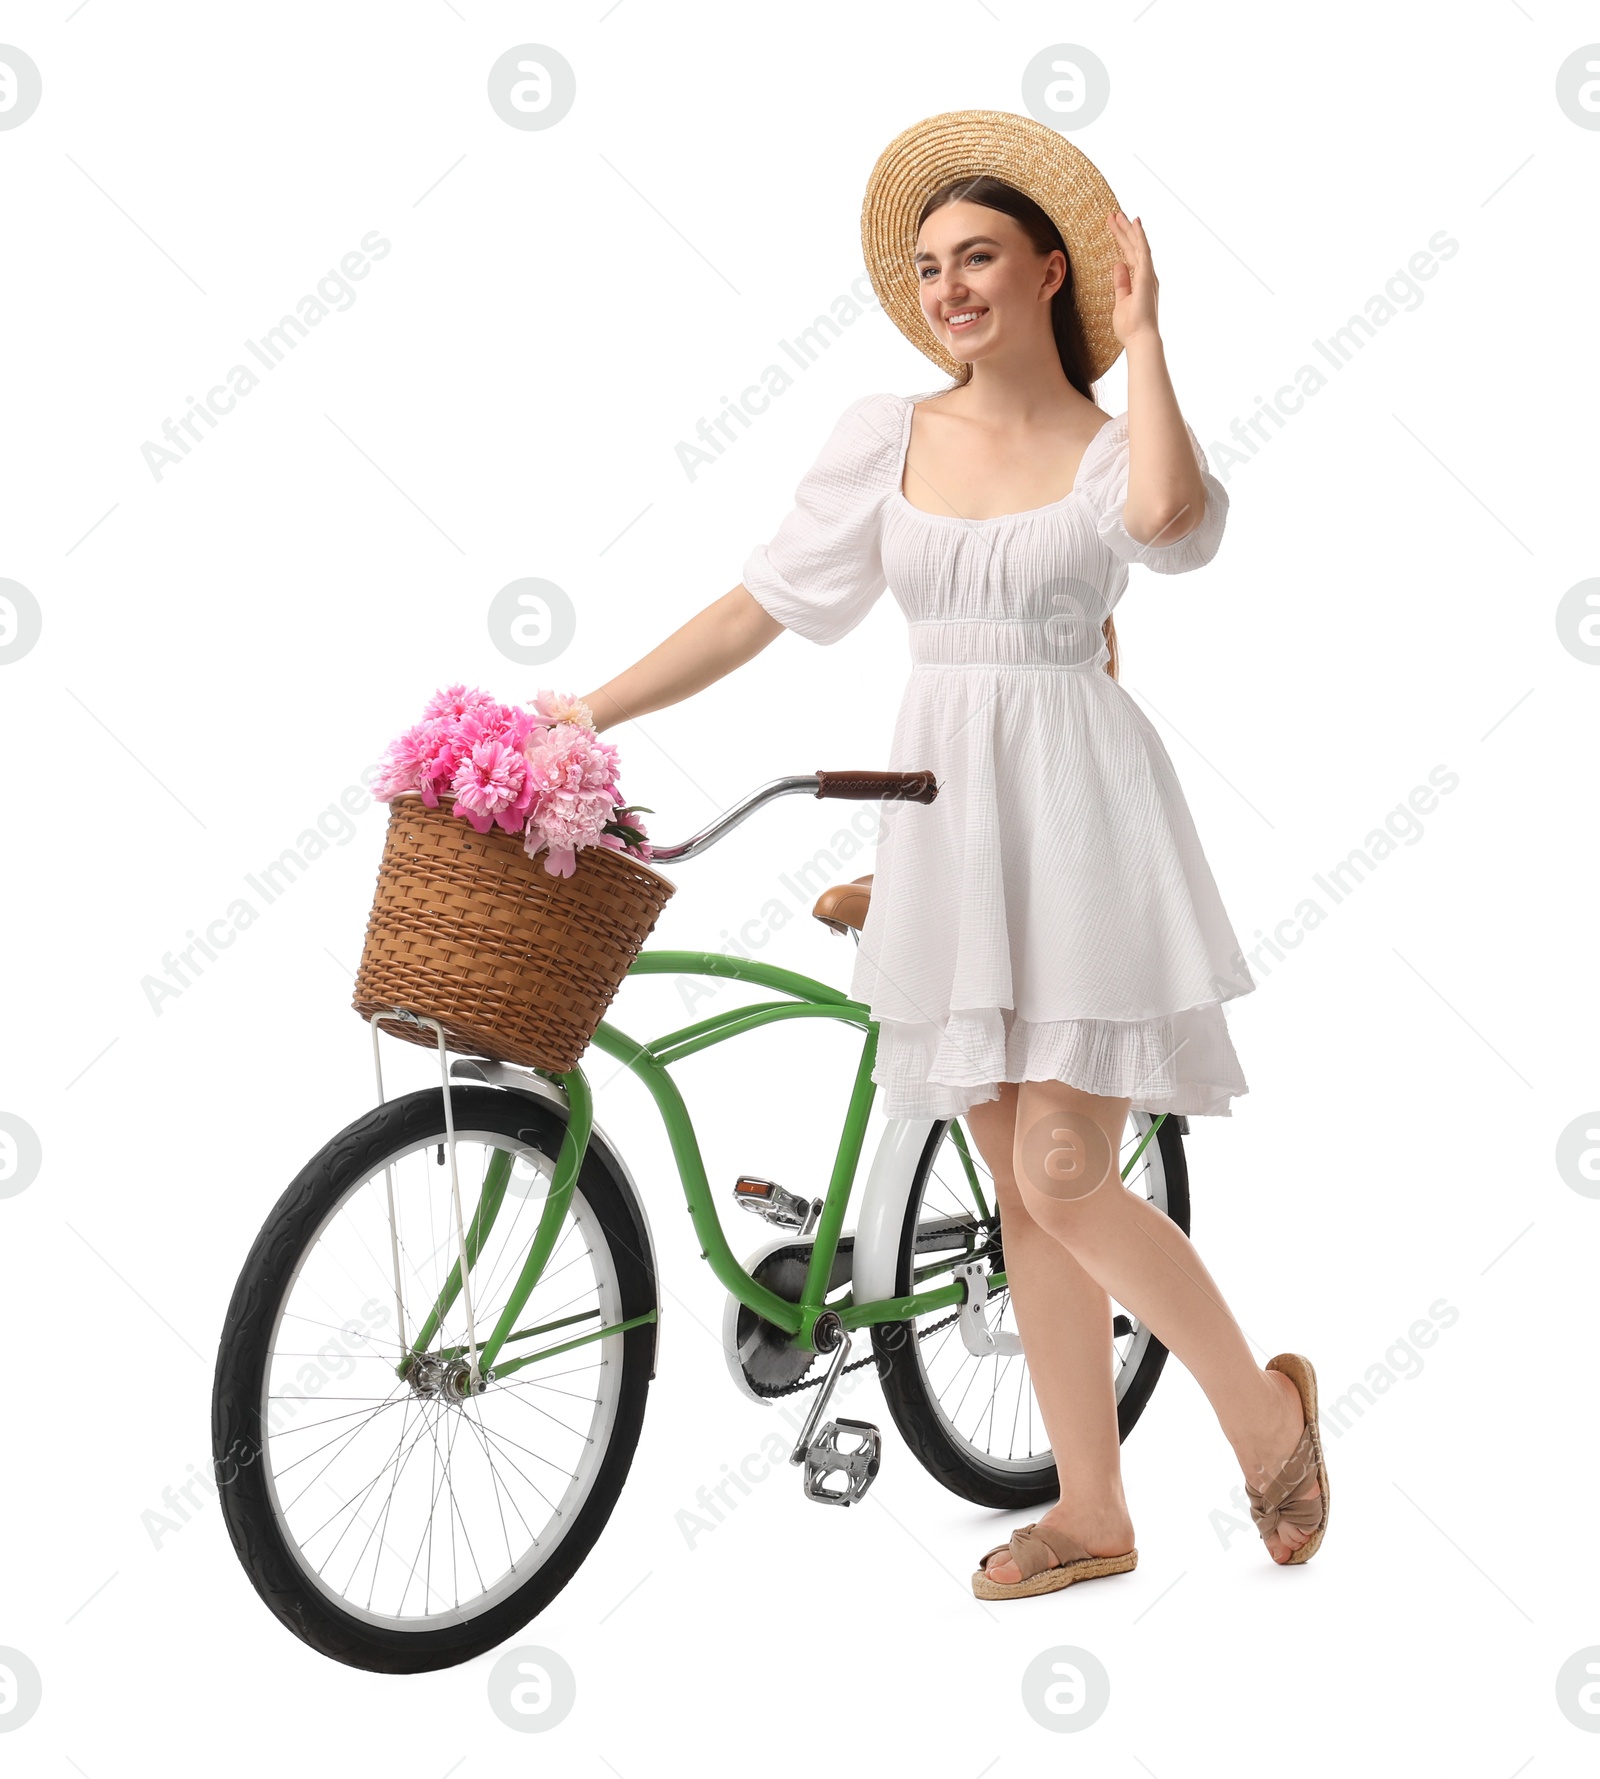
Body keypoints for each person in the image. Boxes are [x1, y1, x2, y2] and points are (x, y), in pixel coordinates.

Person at [579, 109, 1327, 1598]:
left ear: (1055, 271)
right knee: (1017, 1188)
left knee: (1061, 1172)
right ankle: (1093, 1515)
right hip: (945, 824)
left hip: (1084, 819)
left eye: (978, 256)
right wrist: (588, 708)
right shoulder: (887, 435)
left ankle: (1269, 1421)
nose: (948, 289)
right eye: (928, 267)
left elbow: (1176, 527)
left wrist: (1154, 334)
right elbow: (762, 607)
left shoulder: (1116, 448)